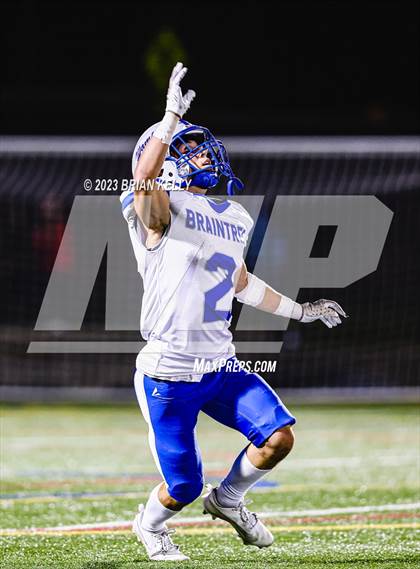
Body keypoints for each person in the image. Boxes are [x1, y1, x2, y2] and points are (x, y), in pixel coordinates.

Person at [120, 62, 347, 562]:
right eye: (189, 148)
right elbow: (143, 178)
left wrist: (301, 311)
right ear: (166, 158)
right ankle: (150, 524)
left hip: (221, 365)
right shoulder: (159, 209)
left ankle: (228, 499)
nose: (203, 153)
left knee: (278, 438)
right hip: (169, 372)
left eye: (202, 146)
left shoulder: (234, 216)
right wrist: (169, 119)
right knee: (183, 486)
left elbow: (240, 282)